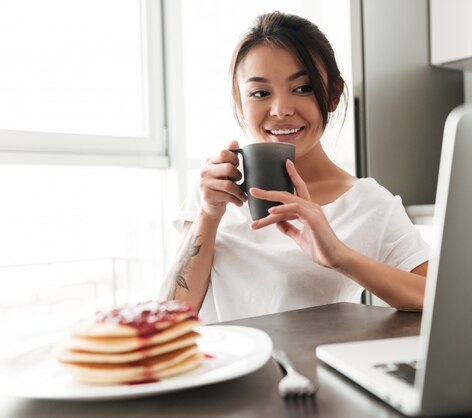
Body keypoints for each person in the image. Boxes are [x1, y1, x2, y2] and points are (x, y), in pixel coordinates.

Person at [161, 11, 430, 323]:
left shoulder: (368, 203)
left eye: (302, 88)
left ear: (332, 94)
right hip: (223, 369)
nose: (281, 110)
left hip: (304, 370)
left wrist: (340, 257)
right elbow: (170, 318)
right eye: (260, 93)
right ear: (240, 101)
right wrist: (208, 215)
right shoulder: (215, 191)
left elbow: (436, 297)